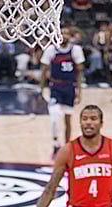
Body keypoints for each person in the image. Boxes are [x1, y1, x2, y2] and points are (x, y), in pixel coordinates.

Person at [41, 27, 84, 157]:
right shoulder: (51, 50)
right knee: (54, 117)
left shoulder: (76, 50)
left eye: (66, 33)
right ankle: (55, 144)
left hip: (70, 87)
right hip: (55, 87)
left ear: (70, 36)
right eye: (61, 33)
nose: (64, 36)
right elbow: (44, 70)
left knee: (67, 120)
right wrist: (41, 88)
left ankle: (67, 146)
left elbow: (79, 72)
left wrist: (79, 91)